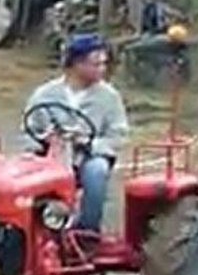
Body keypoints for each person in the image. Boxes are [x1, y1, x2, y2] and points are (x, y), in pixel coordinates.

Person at [22, 33, 129, 233]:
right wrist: (42, 141)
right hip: (49, 156)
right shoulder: (44, 94)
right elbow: (28, 130)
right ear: (76, 64)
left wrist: (88, 143)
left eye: (103, 64)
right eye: (95, 64)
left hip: (86, 157)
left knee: (97, 171)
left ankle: (87, 231)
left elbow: (118, 135)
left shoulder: (109, 97)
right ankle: (33, 227)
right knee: (22, 174)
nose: (102, 70)